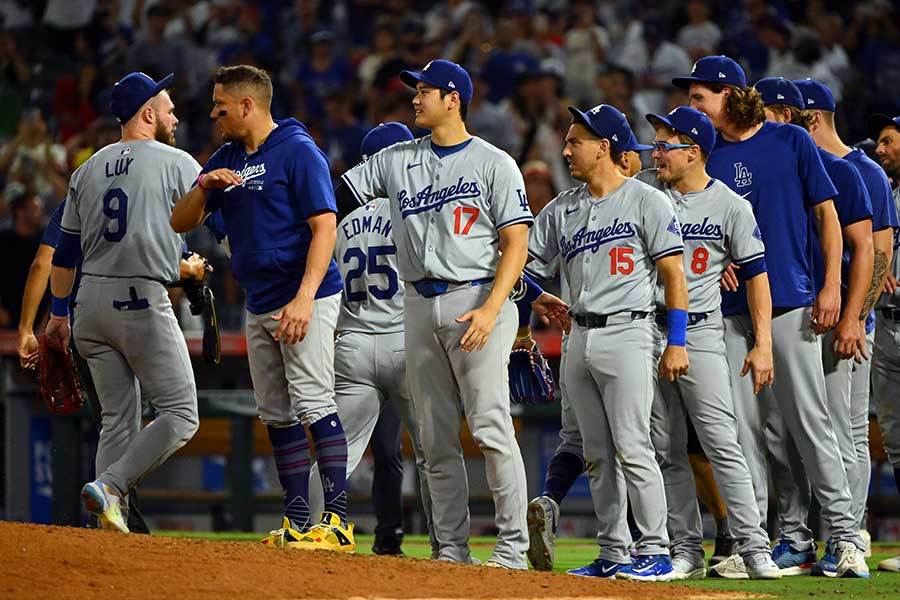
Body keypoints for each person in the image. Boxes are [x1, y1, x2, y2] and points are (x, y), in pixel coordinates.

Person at [338, 59, 544, 569]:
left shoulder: (494, 162)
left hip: (474, 299)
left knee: (491, 427)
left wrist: (493, 311)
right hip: (415, 303)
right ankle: (451, 550)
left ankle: (513, 549)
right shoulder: (396, 158)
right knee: (433, 439)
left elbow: (516, 243)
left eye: (425, 90)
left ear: (454, 98)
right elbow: (334, 197)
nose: (415, 98)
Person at [673, 55, 868, 578]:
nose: (692, 107)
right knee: (752, 432)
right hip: (727, 312)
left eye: (699, 98)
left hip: (790, 300)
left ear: (730, 94)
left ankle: (846, 537)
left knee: (811, 423)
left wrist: (830, 286)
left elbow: (828, 217)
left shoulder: (791, 141)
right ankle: (779, 541)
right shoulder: (704, 157)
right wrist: (717, 266)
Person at [170, 65, 353, 552]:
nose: (214, 113)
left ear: (247, 106)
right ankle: (297, 521)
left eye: (221, 106)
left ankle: (336, 523)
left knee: (314, 402)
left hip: (303, 296)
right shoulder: (227, 156)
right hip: (260, 301)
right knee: (275, 413)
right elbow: (178, 221)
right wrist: (205, 185)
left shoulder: (298, 150)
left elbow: (325, 228)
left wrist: (306, 297)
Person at [528, 103, 688, 582]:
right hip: (578, 334)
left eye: (576, 140)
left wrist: (676, 341)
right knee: (595, 453)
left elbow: (673, 274)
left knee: (634, 447)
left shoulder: (647, 200)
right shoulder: (562, 208)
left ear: (605, 146)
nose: (566, 148)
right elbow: (524, 263)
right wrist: (534, 298)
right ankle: (613, 551)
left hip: (630, 330)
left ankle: (656, 550)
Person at [44, 72, 203, 533]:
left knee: (117, 418)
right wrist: (190, 270)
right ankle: (111, 487)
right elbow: (215, 227)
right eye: (168, 107)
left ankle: (106, 531)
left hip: (88, 303)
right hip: (140, 298)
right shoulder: (176, 161)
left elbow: (65, 253)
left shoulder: (86, 168)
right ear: (148, 113)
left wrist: (58, 315)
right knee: (181, 414)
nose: (174, 116)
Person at [643, 106, 780, 580]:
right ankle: (685, 550)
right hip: (646, 330)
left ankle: (754, 546)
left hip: (700, 331)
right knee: (666, 446)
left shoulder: (730, 205)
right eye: (656, 143)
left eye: (666, 144)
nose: (656, 152)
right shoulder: (644, 193)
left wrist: (762, 343)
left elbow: (758, 276)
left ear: (694, 151)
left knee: (724, 443)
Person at [755, 77, 876, 577]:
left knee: (833, 432)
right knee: (779, 433)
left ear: (792, 117)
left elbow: (869, 249)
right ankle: (798, 536)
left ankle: (845, 536)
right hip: (785, 312)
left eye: (767, 112)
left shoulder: (847, 174)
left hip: (829, 319)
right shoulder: (766, 171)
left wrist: (851, 316)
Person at [305, 122, 436, 557]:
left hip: (354, 342)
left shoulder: (338, 221)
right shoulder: (412, 212)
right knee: (436, 454)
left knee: (334, 450)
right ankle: (448, 546)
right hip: (405, 343)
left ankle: (314, 532)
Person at [796, 80, 898, 558]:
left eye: (783, 113)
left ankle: (849, 535)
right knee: (810, 430)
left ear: (809, 118)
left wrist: (857, 317)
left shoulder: (864, 171)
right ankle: (814, 534)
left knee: (849, 430)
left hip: (853, 324)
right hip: (808, 317)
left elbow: (877, 255)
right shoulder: (801, 168)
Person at [868, 112, 900, 573]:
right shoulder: (886, 192)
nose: (880, 149)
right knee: (895, 438)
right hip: (886, 325)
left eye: (890, 141)